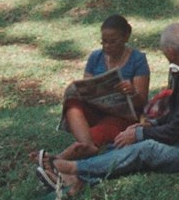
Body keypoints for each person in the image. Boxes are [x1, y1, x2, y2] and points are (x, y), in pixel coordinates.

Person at [38, 23, 179, 195]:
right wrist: (146, 127)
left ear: (171, 51)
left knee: (145, 149)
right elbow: (176, 114)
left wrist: (142, 134)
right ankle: (79, 179)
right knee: (130, 142)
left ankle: (73, 169)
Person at [56, 14, 150, 161]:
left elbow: (142, 101)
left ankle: (58, 159)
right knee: (72, 102)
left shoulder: (137, 59)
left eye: (113, 42)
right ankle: (87, 145)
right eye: (104, 42)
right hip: (97, 110)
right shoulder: (95, 57)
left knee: (103, 130)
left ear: (126, 37)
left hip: (123, 116)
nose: (107, 46)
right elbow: (85, 89)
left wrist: (131, 92)